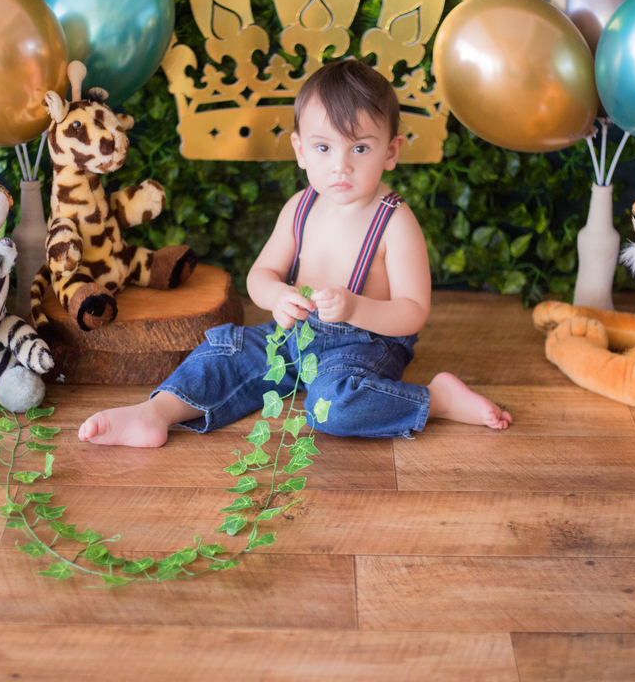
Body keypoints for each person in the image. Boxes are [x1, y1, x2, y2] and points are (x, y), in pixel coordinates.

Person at [78, 59, 511, 447]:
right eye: (324, 148)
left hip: (364, 345)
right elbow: (261, 275)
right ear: (301, 150)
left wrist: (356, 308)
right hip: (294, 333)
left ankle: (436, 399)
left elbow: (413, 312)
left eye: (359, 148)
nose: (341, 165)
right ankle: (157, 413)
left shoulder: (395, 221)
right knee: (225, 351)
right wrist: (279, 296)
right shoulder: (300, 207)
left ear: (391, 151)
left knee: (334, 407)